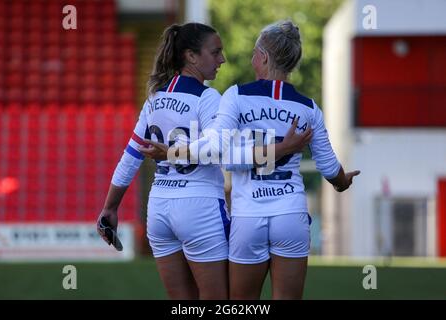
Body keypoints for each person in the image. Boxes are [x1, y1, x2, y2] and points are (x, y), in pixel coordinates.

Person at [140, 20, 360, 300]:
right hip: (290, 214)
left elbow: (224, 156)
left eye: (255, 52)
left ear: (264, 57)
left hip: (248, 217)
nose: (251, 57)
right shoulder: (308, 108)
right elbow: (330, 168)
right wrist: (342, 182)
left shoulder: (236, 96)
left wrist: (170, 152)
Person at [96, 22, 231, 300]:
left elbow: (130, 157)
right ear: (191, 56)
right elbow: (217, 150)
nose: (222, 59)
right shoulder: (207, 98)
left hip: (159, 209)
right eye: (215, 52)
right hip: (200, 208)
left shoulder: (155, 98)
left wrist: (110, 207)